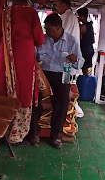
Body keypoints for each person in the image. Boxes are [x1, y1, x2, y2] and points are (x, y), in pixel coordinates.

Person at [0, 0, 45, 144]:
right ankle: (16, 134)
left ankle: (0, 130)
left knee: (2, 89)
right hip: (25, 59)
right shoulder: (31, 13)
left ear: (13, 2)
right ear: (26, 2)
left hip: (6, 58)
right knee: (23, 91)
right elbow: (40, 40)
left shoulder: (5, 13)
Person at [31, 14, 83, 149]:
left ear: (58, 28)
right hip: (43, 74)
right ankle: (34, 133)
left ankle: (56, 136)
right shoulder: (42, 39)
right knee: (34, 99)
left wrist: (75, 60)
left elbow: (80, 63)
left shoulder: (71, 42)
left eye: (49, 29)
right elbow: (34, 57)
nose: (46, 32)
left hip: (62, 75)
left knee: (62, 102)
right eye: (45, 29)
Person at [77, 7, 95, 75]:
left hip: (86, 50)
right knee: (85, 69)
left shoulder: (84, 26)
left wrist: (76, 22)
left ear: (82, 16)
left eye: (78, 16)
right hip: (89, 49)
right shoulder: (89, 25)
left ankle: (85, 83)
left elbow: (77, 31)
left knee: (85, 69)